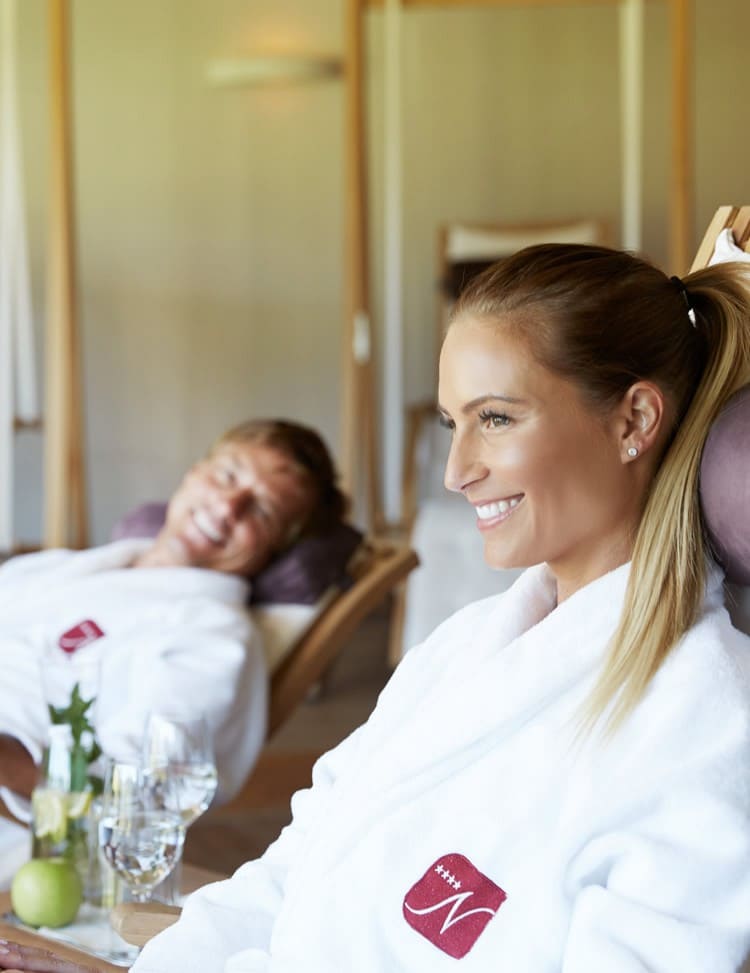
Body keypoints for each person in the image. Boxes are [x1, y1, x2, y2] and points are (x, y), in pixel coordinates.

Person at [3, 243, 750, 973]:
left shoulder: (703, 726)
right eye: (452, 424)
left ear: (634, 421)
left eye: (495, 418)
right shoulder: (460, 648)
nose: (456, 472)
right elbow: (290, 868)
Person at [0, 418, 347, 884]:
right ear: (193, 473)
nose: (228, 507)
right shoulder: (65, 568)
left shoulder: (213, 637)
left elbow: (131, 799)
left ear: (274, 551)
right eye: (226, 475)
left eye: (262, 512)